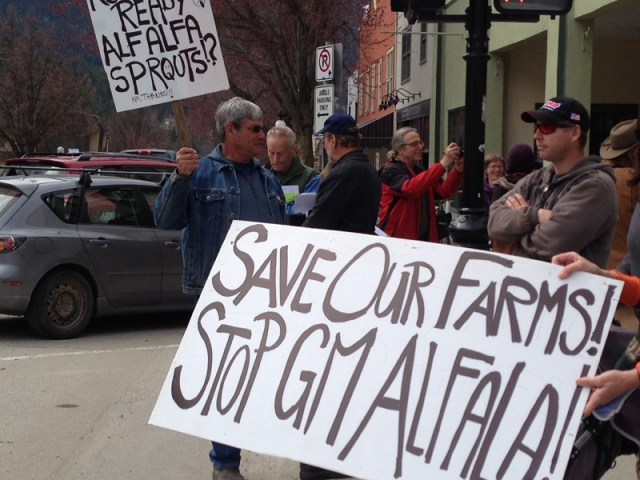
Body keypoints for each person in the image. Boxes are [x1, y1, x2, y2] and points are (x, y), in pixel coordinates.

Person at [153, 97, 285, 480]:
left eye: (262, 129)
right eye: (255, 128)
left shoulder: (267, 179)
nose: (263, 135)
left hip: (269, 296)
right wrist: (180, 178)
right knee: (225, 379)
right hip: (217, 297)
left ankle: (303, 454)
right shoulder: (199, 173)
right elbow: (164, 219)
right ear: (231, 130)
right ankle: (225, 464)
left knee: (273, 376)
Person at [488, 96, 618, 267]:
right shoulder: (537, 178)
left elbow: (546, 249)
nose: (537, 135)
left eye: (547, 127)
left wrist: (511, 240)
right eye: (536, 127)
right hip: (524, 289)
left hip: (567, 291)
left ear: (575, 133)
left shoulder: (595, 186)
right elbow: (494, 223)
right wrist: (535, 215)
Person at [378, 127, 463, 241]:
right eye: (414, 144)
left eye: (420, 143)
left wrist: (458, 170)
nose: (420, 147)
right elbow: (412, 189)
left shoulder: (419, 170)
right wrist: (443, 164)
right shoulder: (390, 170)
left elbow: (444, 191)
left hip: (422, 238)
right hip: (398, 239)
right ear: (400, 149)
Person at [303, 114, 381, 234]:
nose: (324, 146)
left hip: (342, 247)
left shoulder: (341, 174)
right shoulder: (370, 168)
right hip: (363, 246)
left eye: (325, 140)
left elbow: (317, 222)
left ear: (333, 140)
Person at [599, 119, 640, 269]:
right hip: (631, 271)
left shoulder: (594, 176)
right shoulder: (633, 181)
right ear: (636, 154)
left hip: (604, 268)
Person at [266, 125, 320, 213]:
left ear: (294, 150)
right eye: (271, 153)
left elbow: (306, 211)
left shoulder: (311, 178)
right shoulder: (260, 175)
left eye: (280, 154)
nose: (275, 159)